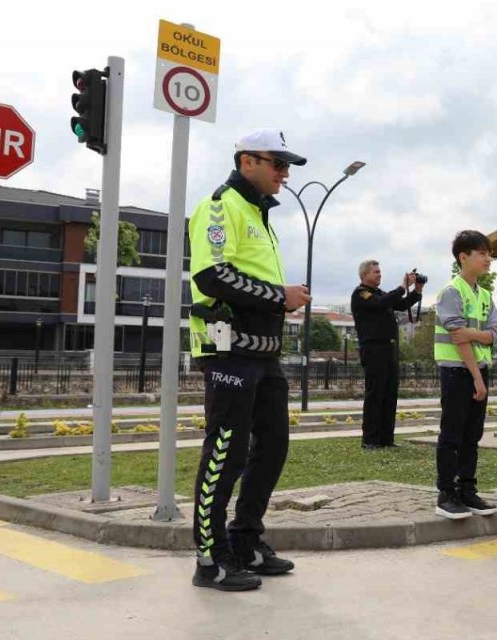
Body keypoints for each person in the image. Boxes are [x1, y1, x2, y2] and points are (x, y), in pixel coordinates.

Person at [187, 129, 311, 591]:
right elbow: (212, 276)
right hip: (226, 349)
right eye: (278, 164)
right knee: (226, 450)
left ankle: (245, 540)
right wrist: (280, 296)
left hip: (263, 352)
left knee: (273, 445)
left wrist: (279, 300)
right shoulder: (220, 206)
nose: (285, 174)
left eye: (287, 166)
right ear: (247, 162)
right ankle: (210, 557)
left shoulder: (259, 214)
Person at [434, 230, 497, 519]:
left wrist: (474, 334)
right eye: (482, 253)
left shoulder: (485, 296)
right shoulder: (451, 292)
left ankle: (467, 490)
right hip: (457, 372)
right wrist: (476, 377)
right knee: (452, 434)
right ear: (463, 257)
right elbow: (457, 338)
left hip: (479, 371)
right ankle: (446, 494)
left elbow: (495, 334)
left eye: (489, 254)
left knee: (472, 435)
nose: (488, 259)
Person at [351, 260, 423, 450]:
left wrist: (417, 291)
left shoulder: (380, 294)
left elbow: (401, 304)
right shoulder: (361, 294)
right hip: (373, 349)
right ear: (364, 275)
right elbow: (381, 303)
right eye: (375, 272)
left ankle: (386, 439)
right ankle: (370, 439)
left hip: (389, 350)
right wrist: (402, 286)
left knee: (389, 394)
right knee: (375, 394)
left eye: (380, 271)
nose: (379, 274)